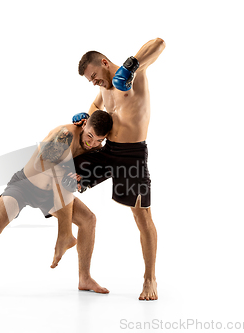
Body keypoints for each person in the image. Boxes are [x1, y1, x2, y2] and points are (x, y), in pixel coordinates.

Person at [0, 111, 113, 300]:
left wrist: (83, 179)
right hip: (25, 185)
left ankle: (85, 278)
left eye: (99, 140)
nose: (92, 143)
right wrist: (63, 229)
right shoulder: (65, 135)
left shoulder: (94, 146)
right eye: (90, 136)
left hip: (50, 194)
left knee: (88, 220)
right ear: (84, 124)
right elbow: (48, 167)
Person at [72, 38, 166, 300]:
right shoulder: (104, 88)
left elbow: (159, 43)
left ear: (104, 63)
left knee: (142, 218)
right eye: (90, 81)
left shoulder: (135, 75)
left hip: (132, 156)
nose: (94, 82)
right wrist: (87, 118)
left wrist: (132, 65)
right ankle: (82, 272)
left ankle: (150, 279)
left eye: (94, 76)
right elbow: (95, 106)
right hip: (108, 151)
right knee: (61, 173)